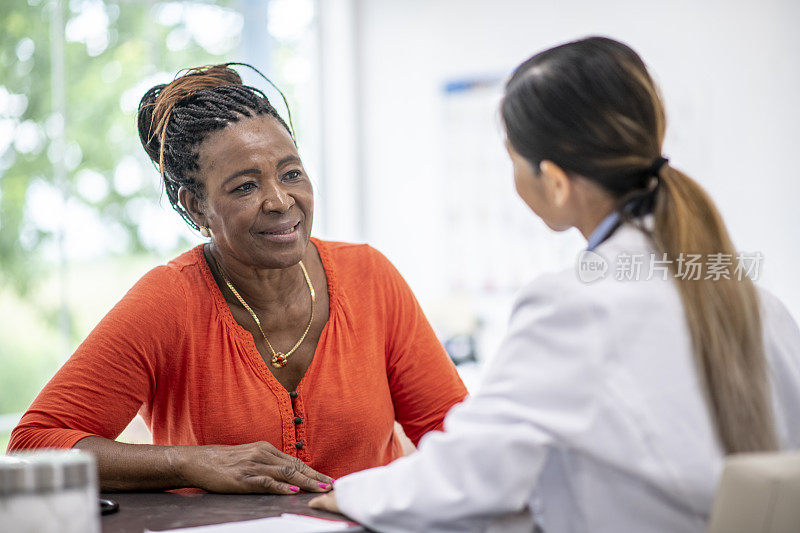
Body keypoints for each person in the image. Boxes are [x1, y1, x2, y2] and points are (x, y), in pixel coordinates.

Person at [308, 37, 800, 531]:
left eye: (514, 160)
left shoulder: (576, 306)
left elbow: (469, 474)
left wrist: (350, 491)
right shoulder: (756, 301)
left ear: (556, 181)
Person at [8, 64, 467, 494]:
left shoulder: (369, 276)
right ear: (196, 207)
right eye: (245, 186)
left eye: (291, 173)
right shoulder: (169, 300)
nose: (280, 201)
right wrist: (187, 462)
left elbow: (456, 436)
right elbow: (33, 445)